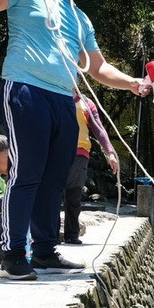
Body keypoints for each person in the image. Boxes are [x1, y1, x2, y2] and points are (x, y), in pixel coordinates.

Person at [0, 0, 149, 281]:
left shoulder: (80, 19)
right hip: (25, 89)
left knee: (53, 180)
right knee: (26, 174)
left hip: (65, 99)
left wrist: (132, 83)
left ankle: (46, 251)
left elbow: (97, 67)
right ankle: (13, 255)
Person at [63, 91, 118, 244]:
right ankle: (49, 237)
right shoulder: (54, 94)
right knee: (53, 195)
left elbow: (98, 128)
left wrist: (110, 152)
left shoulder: (87, 102)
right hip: (57, 151)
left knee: (74, 196)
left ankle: (72, 235)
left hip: (80, 152)